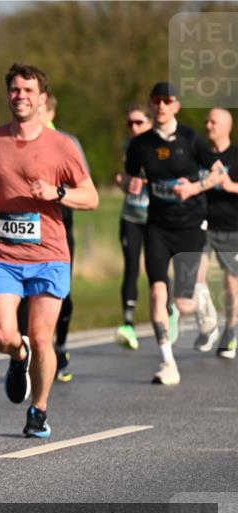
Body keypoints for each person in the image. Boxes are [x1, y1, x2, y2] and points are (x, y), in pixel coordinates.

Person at [0, 63, 98, 438]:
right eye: (15, 89)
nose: (21, 96)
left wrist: (58, 193)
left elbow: (91, 197)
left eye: (29, 91)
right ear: (7, 94)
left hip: (50, 256)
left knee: (42, 336)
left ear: (42, 99)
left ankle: (39, 410)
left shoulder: (63, 146)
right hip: (5, 256)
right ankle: (17, 355)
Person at [125, 82, 226, 385]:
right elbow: (129, 178)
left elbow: (219, 172)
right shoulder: (140, 145)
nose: (161, 105)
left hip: (190, 225)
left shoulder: (190, 139)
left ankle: (200, 299)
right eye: (156, 100)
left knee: (184, 304)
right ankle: (167, 362)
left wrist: (195, 187)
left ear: (176, 106)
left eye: (167, 100)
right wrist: (129, 185)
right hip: (156, 225)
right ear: (151, 103)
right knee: (157, 293)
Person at [16, 92, 91, 382]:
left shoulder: (66, 143)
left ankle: (58, 345)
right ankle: (27, 353)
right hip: (24, 225)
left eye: (41, 109)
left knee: (61, 293)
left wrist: (56, 190)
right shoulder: (17, 140)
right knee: (25, 292)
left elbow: (84, 186)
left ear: (49, 111)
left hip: (59, 226)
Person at [114, 105, 153, 350]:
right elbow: (123, 178)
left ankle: (166, 313)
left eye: (139, 122)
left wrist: (147, 180)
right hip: (130, 216)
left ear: (149, 123)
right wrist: (124, 182)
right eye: (130, 124)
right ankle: (128, 324)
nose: (134, 128)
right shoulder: (129, 148)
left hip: (156, 218)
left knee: (155, 269)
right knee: (131, 267)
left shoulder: (159, 145)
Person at [199, 107, 238, 358]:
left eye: (213, 122)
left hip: (232, 227)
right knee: (195, 276)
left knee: (232, 283)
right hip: (201, 225)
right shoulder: (200, 154)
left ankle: (230, 332)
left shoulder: (236, 155)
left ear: (227, 126)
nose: (208, 125)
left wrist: (230, 185)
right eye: (207, 121)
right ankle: (207, 320)